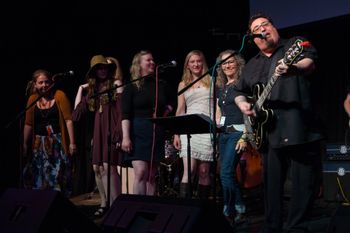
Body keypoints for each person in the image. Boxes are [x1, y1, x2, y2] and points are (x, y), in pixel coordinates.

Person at [233, 13, 324, 233]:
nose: (262, 29)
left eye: (265, 24)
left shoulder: (293, 44)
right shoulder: (252, 64)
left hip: (298, 126)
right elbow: (239, 91)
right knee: (271, 186)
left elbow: (309, 62)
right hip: (268, 133)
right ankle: (272, 226)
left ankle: (296, 227)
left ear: (273, 27)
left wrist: (294, 68)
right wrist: (243, 105)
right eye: (257, 28)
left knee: (303, 184)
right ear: (254, 38)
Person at [73, 54, 123, 217]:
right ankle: (104, 202)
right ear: (94, 72)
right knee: (97, 168)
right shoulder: (93, 90)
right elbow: (76, 114)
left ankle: (117, 204)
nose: (102, 71)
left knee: (109, 166)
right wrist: (81, 89)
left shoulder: (115, 84)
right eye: (98, 68)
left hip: (112, 127)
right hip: (98, 129)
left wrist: (119, 132)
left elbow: (121, 111)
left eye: (104, 67)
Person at [121, 50, 172, 195]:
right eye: (148, 60)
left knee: (151, 175)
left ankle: (151, 207)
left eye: (153, 60)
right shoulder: (131, 87)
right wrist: (125, 137)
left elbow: (172, 101)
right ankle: (139, 206)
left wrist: (165, 111)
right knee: (141, 172)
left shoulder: (160, 84)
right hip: (138, 131)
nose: (152, 62)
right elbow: (125, 114)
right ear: (138, 65)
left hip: (156, 130)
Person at [22, 69, 76, 197]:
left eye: (46, 82)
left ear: (51, 82)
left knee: (57, 175)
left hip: (57, 142)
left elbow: (69, 120)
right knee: (39, 175)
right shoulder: (32, 99)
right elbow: (28, 123)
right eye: (40, 82)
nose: (44, 85)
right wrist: (24, 143)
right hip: (38, 144)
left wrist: (72, 143)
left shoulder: (59, 95)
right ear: (35, 84)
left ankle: (57, 202)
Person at [173, 50, 214, 199]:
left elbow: (216, 107)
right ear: (187, 65)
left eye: (199, 61)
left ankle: (201, 209)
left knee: (204, 171)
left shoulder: (211, 81)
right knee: (189, 170)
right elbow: (180, 109)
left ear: (203, 63)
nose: (196, 64)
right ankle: (185, 209)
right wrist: (176, 133)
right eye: (192, 62)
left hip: (206, 127)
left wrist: (216, 129)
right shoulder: (182, 84)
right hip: (188, 128)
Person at [215, 50, 248, 224]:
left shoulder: (243, 83)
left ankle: (230, 209)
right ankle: (238, 208)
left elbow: (248, 111)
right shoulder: (222, 87)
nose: (227, 65)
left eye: (231, 62)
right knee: (226, 173)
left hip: (238, 131)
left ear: (238, 63)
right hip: (224, 134)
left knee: (227, 172)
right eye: (224, 63)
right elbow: (220, 112)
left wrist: (245, 136)